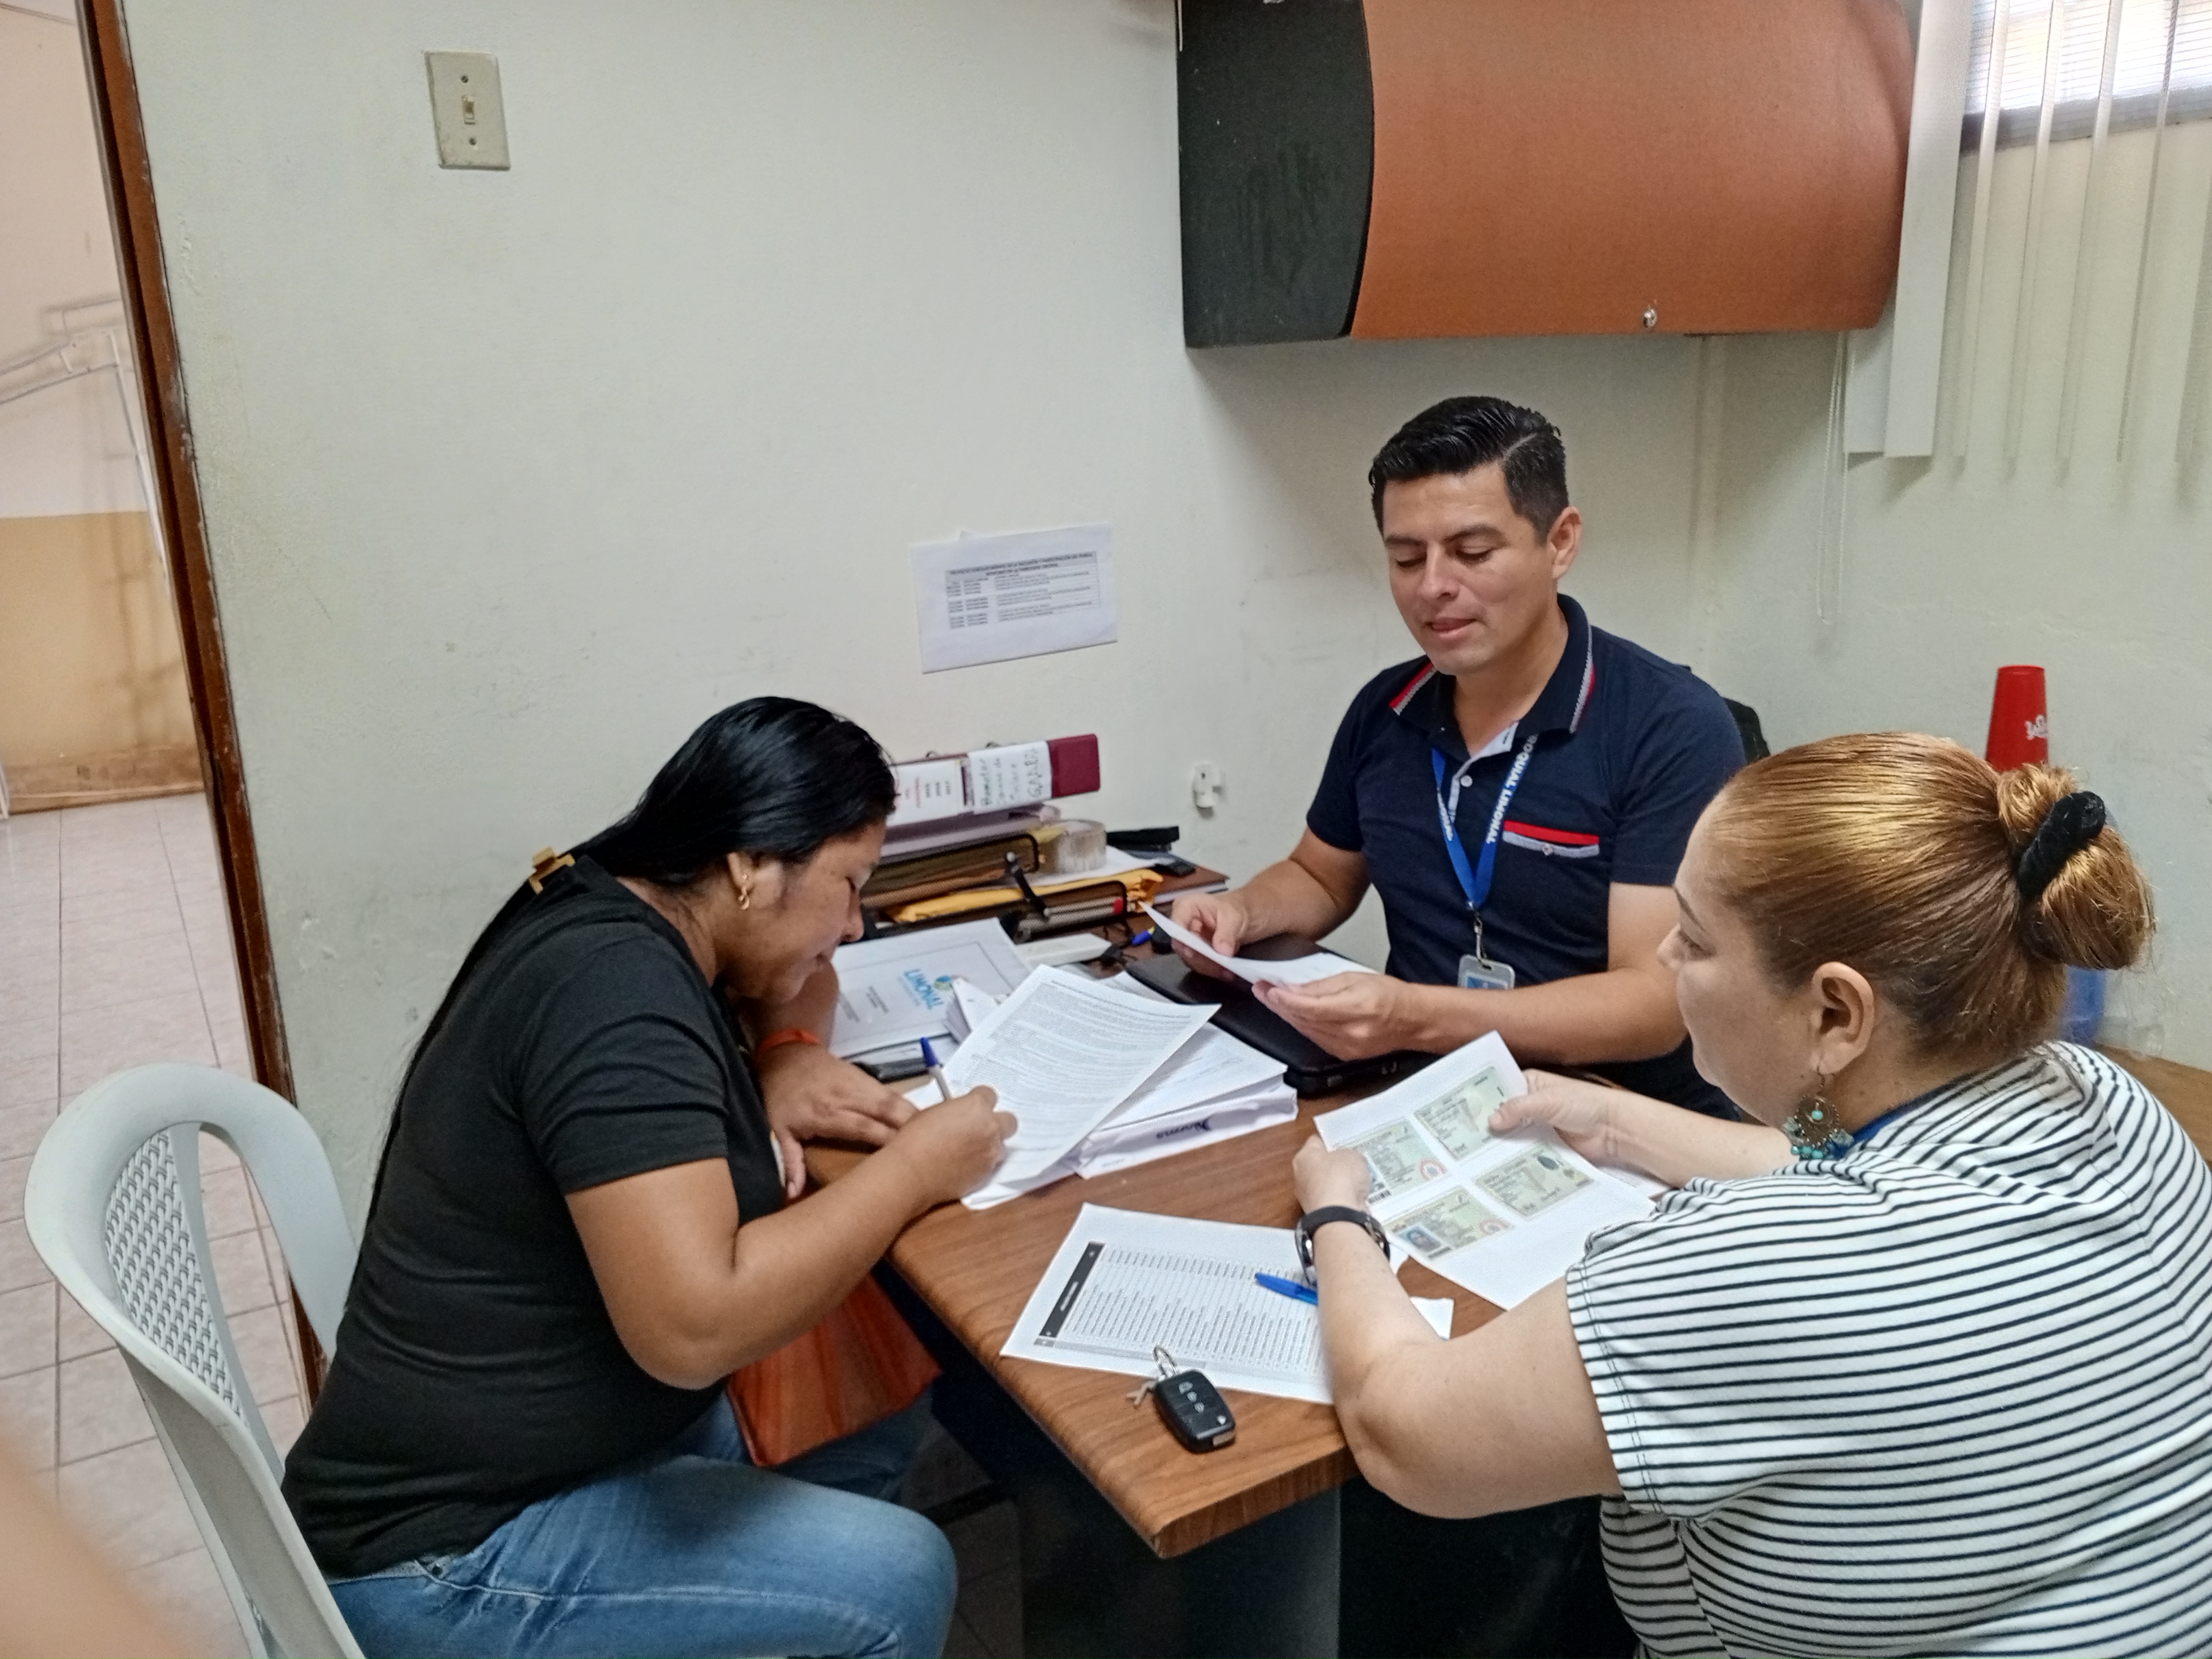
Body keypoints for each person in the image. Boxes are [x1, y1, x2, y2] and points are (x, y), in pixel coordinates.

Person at [1293, 734, 2212, 1656]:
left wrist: (1338, 1215)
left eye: (1694, 939)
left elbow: (1406, 1435)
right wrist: (1619, 1124)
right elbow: (1842, 1164)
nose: (1664, 954)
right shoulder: (2114, 1105)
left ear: (1836, 1013)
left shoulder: (1744, 1269)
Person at [284, 697, 1015, 1659]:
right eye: (848, 885)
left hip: (553, 1441)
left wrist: (788, 1054)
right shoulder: (617, 1000)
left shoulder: (632, 903)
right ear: (752, 867)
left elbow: (815, 976)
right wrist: (917, 1169)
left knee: (872, 1413)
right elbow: (694, 1328)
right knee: (901, 1576)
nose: (854, 922)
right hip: (443, 1551)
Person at [1172, 395, 1744, 1118]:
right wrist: (1241, 912)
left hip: (1619, 1117)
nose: (1433, 586)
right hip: (1427, 1090)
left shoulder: (1671, 726)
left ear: (1560, 542)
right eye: (1406, 558)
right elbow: (1320, 875)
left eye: (1473, 554)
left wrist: (1415, 1016)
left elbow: (1653, 1003)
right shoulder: (1387, 708)